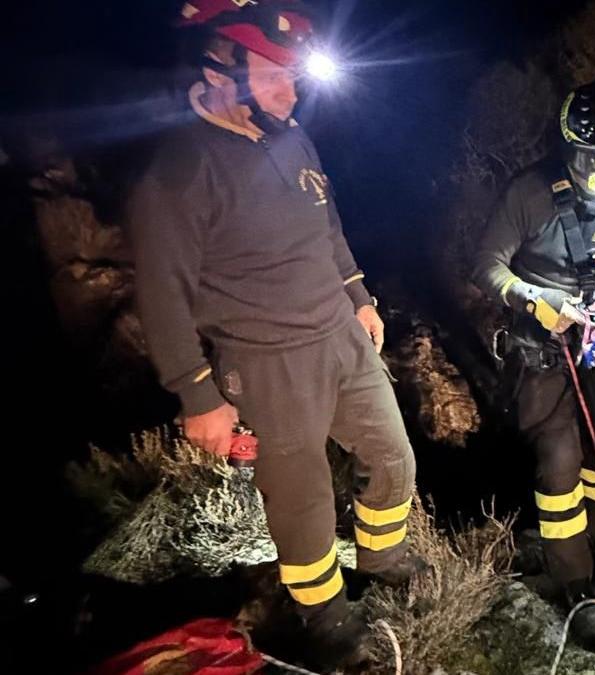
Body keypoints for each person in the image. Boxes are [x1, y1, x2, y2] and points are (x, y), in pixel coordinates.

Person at [127, 1, 421, 666]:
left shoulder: (291, 135)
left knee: (395, 456)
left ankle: (385, 557)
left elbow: (329, 221)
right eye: (273, 77)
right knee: (304, 499)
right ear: (221, 70)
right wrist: (197, 394)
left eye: (294, 77)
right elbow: (161, 294)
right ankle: (324, 613)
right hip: (267, 360)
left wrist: (359, 296)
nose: (291, 94)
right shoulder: (178, 169)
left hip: (340, 336)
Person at [472, 80, 595, 650]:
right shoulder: (529, 193)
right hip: (543, 350)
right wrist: (537, 300)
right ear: (567, 149)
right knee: (559, 462)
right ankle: (576, 585)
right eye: (588, 158)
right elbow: (487, 266)